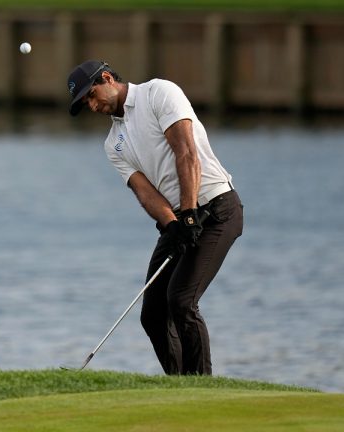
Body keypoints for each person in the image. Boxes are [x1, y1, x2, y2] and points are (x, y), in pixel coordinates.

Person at [66, 60, 243, 375]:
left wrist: (188, 214)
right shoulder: (113, 144)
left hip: (217, 208)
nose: (92, 106)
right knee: (152, 314)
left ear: (106, 78)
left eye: (91, 96)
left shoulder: (158, 92)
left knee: (182, 301)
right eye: (85, 104)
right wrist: (174, 224)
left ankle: (202, 391)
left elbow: (185, 152)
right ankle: (177, 388)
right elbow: (145, 192)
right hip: (180, 219)